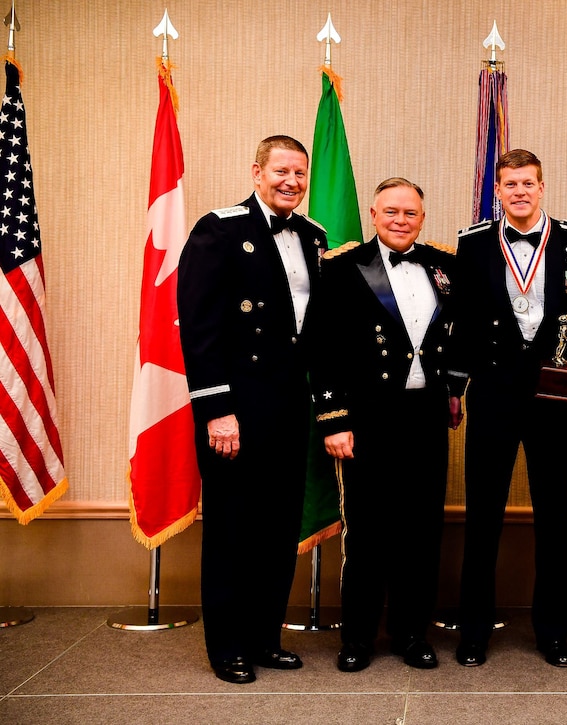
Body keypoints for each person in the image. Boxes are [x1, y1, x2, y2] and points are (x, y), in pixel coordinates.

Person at [448, 149, 567, 668]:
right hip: (493, 391)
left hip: (555, 395)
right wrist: (455, 384)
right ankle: (473, 631)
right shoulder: (472, 243)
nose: (519, 192)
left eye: (527, 183)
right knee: (484, 516)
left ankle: (552, 632)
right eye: (509, 184)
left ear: (542, 188)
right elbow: (463, 320)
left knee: (552, 519)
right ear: (498, 191)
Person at [177, 135, 325, 684]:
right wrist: (217, 409)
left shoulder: (313, 236)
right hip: (235, 408)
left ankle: (264, 638)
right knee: (233, 529)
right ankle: (227, 646)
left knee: (276, 527)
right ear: (257, 170)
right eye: (281, 171)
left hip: (289, 405)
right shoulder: (220, 229)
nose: (292, 182)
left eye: (300, 175)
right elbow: (198, 326)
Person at [310, 178, 460, 672]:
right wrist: (334, 420)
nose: (401, 221)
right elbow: (323, 351)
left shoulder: (443, 267)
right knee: (368, 533)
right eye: (391, 212)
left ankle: (411, 633)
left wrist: (456, 390)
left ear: (422, 218)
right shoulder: (340, 268)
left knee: (420, 530)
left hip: (425, 417)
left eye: (411, 213)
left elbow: (459, 338)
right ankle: (357, 638)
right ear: (373, 214)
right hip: (367, 419)